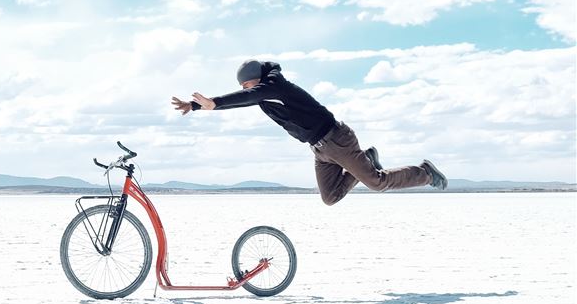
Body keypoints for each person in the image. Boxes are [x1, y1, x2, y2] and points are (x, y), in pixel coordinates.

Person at [170, 59, 447, 206]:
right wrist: (196, 106)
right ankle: (365, 160)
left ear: (258, 79)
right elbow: (245, 99)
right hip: (320, 149)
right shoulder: (261, 93)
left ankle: (424, 172)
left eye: (248, 85)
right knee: (330, 197)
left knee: (376, 183)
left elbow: (248, 97)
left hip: (336, 139)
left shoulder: (276, 86)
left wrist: (213, 102)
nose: (247, 90)